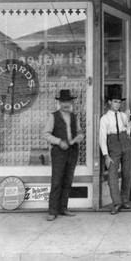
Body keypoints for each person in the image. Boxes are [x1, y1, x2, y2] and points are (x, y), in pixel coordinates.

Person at [43, 89, 85, 221]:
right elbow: (46, 134)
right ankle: (52, 211)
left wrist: (78, 138)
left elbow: (80, 133)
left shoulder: (74, 117)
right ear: (59, 103)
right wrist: (59, 141)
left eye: (68, 101)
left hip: (72, 151)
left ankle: (63, 208)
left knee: (68, 180)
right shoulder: (53, 116)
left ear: (71, 102)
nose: (66, 104)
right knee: (57, 180)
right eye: (63, 101)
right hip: (58, 152)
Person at [99, 87, 131, 215]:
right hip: (113, 146)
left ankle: (125, 200)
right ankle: (117, 202)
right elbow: (102, 138)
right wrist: (106, 155)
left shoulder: (123, 115)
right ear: (109, 102)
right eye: (115, 102)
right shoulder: (104, 118)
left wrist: (128, 135)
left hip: (126, 145)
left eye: (119, 102)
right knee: (112, 175)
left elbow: (127, 126)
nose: (117, 104)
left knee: (127, 173)